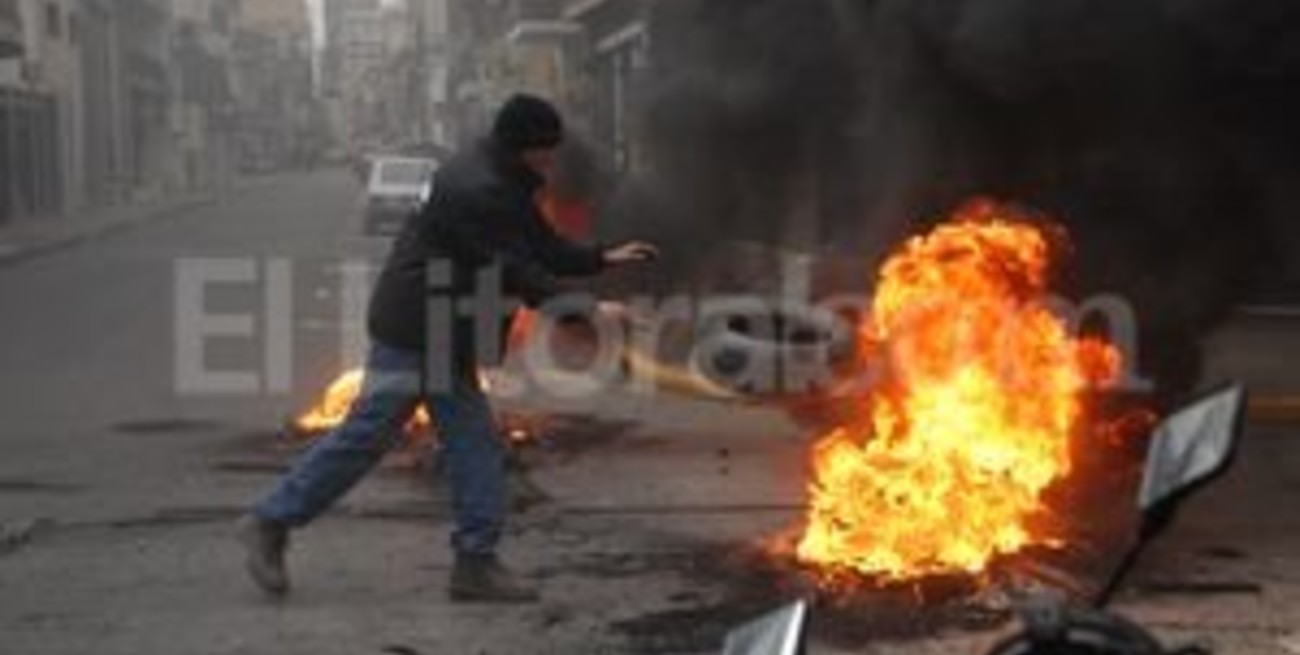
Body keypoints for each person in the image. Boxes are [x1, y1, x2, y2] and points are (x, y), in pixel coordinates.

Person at [236, 94, 659, 603]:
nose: (552, 160)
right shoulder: (478, 189)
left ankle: (474, 562)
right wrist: (592, 311)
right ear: (521, 146)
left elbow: (539, 244)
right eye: (546, 151)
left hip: (446, 327)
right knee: (373, 434)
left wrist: (601, 257)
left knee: (471, 442)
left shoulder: (501, 177)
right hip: (421, 324)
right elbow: (515, 270)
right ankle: (271, 520)